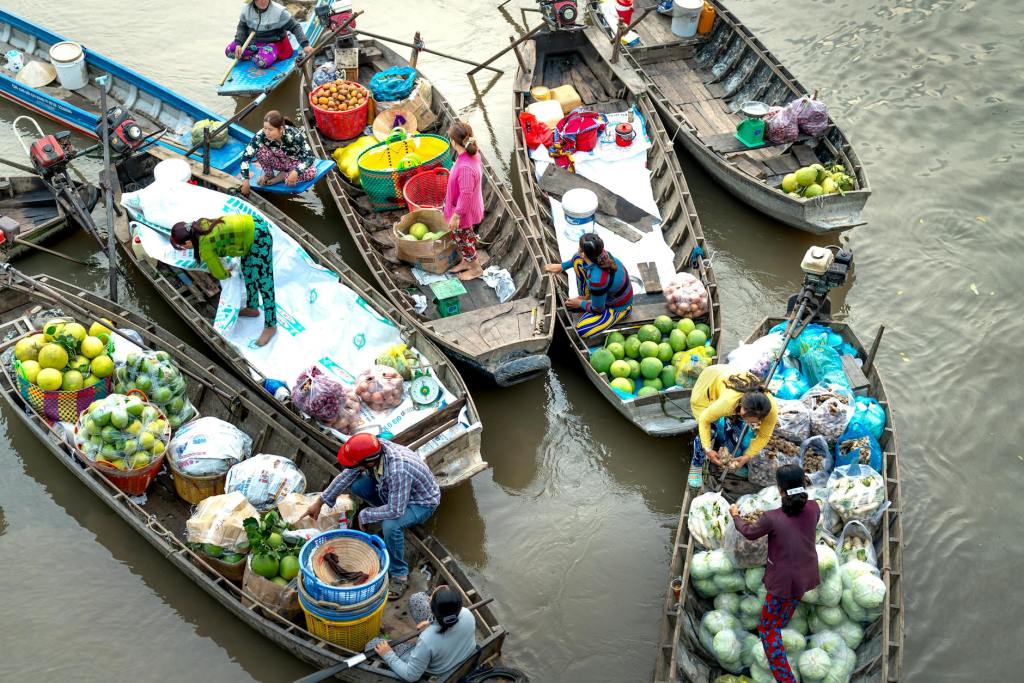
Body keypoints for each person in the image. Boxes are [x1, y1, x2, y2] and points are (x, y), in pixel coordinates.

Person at [303, 433, 441, 600]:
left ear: (369, 462)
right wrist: (320, 502)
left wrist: (365, 515)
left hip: (421, 502)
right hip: (394, 492)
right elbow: (346, 475)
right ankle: (380, 511)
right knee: (358, 485)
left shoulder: (398, 470)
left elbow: (396, 510)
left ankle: (400, 575)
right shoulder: (375, 449)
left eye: (359, 465)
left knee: (391, 525)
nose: (355, 467)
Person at [730, 465, 820, 683]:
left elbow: (749, 532)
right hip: (806, 574)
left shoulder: (772, 517)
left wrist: (735, 515)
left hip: (783, 581)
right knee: (789, 604)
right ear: (803, 483)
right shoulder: (814, 507)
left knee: (767, 629)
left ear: (780, 490)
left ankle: (786, 679)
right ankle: (783, 620)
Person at [170, 214, 278, 346]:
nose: (184, 250)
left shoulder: (205, 247)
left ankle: (271, 325)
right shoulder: (200, 225)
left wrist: (225, 272)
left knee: (265, 282)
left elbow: (221, 274)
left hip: (259, 237)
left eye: (182, 247)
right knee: (248, 271)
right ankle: (252, 307)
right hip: (250, 228)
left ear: (187, 242)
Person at [687, 365, 778, 487]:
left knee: (737, 425)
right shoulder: (727, 403)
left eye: (754, 422)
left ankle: (728, 452)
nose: (749, 424)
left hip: (731, 379)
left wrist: (747, 456)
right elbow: (704, 420)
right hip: (709, 382)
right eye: (748, 419)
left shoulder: (770, 409)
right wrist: (708, 449)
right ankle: (697, 463)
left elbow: (764, 436)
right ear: (742, 408)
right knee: (710, 431)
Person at [370, 585, 478, 682]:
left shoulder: (427, 639)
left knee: (372, 644)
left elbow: (411, 676)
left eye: (430, 598)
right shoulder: (467, 613)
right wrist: (431, 622)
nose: (429, 597)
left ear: (432, 608)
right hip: (456, 652)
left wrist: (388, 654)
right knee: (418, 599)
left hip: (439, 669)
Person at [543, 233, 634, 338]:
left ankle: (621, 311)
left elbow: (598, 310)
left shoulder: (597, 280)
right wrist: (562, 266)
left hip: (617, 305)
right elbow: (577, 258)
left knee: (582, 329)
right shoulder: (603, 255)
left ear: (584, 253)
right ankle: (590, 297)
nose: (578, 249)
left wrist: (580, 303)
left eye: (579, 247)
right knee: (577, 261)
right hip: (603, 292)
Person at [444, 121, 486, 281]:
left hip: (464, 212)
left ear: (454, 142)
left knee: (464, 240)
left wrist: (456, 215)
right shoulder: (472, 154)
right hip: (466, 208)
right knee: (465, 237)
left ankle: (475, 269)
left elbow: (466, 195)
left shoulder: (465, 167)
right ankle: (466, 262)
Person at [239, 110, 318, 195]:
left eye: (270, 129)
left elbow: (310, 157)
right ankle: (269, 174)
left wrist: (296, 172)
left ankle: (283, 176)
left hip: (293, 162)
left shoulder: (294, 135)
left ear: (281, 129)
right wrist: (245, 180)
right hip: (277, 161)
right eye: (264, 128)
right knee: (259, 149)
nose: (266, 132)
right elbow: (245, 156)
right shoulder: (261, 135)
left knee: (311, 173)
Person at [225, 0, 313, 70]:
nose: (263, 1)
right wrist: (239, 44)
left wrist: (305, 45)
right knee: (229, 51)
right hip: (255, 43)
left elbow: (295, 26)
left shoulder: (279, 12)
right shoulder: (246, 10)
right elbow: (242, 28)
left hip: (274, 44)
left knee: (262, 62)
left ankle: (252, 56)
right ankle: (254, 55)